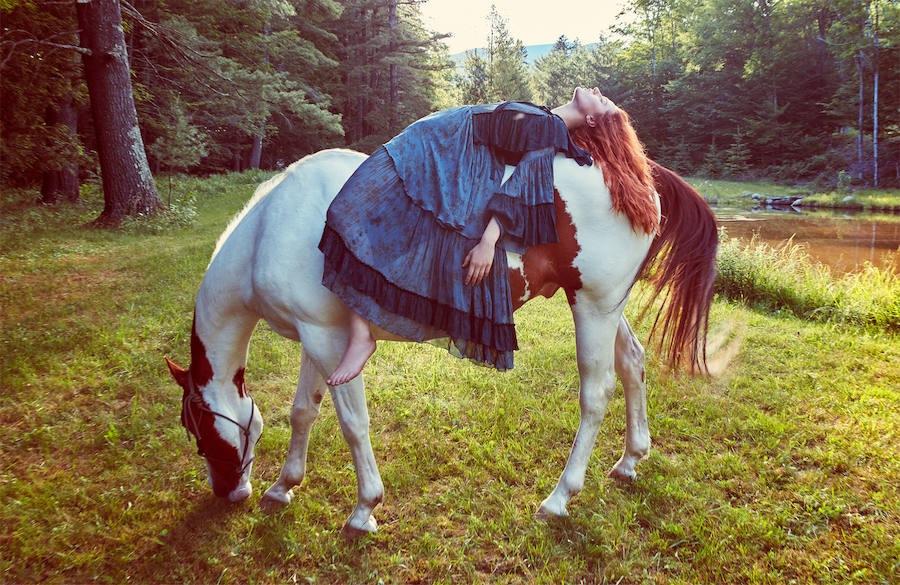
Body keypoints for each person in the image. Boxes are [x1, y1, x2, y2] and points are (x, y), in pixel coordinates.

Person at [319, 87, 654, 386]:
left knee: (353, 209)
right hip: (443, 144)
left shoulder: (550, 130)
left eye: (602, 99)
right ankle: (362, 329)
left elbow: (521, 188)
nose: (596, 90)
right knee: (371, 214)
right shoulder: (548, 117)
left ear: (593, 120)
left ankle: (362, 335)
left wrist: (488, 241)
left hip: (451, 151)